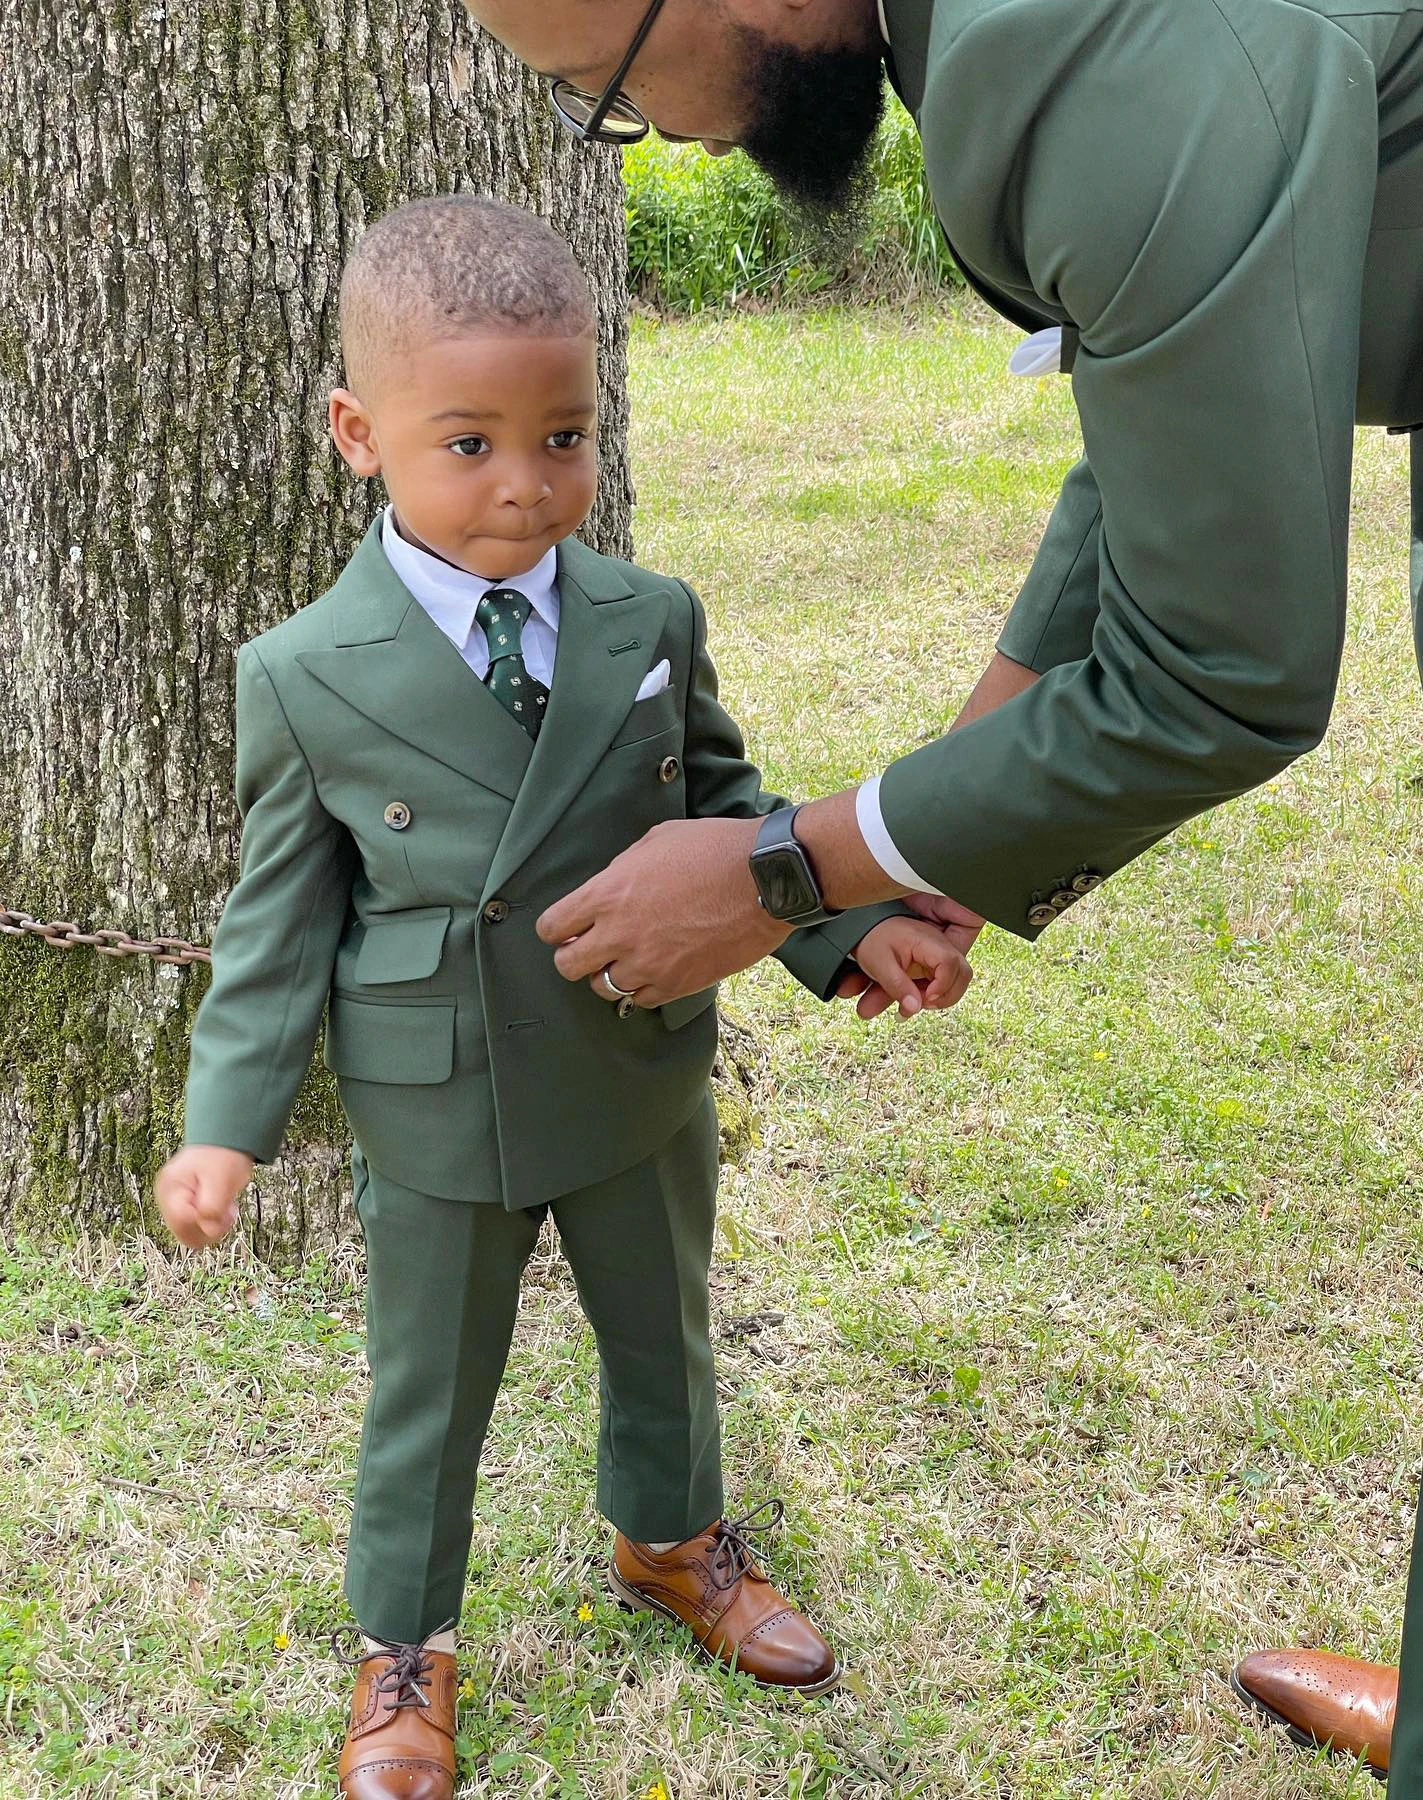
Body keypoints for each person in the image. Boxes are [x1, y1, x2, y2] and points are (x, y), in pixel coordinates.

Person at [466, 0, 1423, 1787]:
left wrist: (779, 872)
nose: (645, 134)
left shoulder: (1096, 48)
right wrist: (947, 837)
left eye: (593, 87)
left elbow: (1221, 671)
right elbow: (1178, 403)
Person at [151, 193, 973, 1800]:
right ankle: (406, 1646)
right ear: (357, 433)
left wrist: (841, 927)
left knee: (661, 1329)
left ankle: (672, 1541)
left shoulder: (645, 616)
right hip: (440, 1087)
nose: (526, 482)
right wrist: (222, 1129)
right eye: (467, 442)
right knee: (427, 1386)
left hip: (635, 1057)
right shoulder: (304, 674)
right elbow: (272, 925)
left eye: (565, 433)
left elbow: (727, 813)